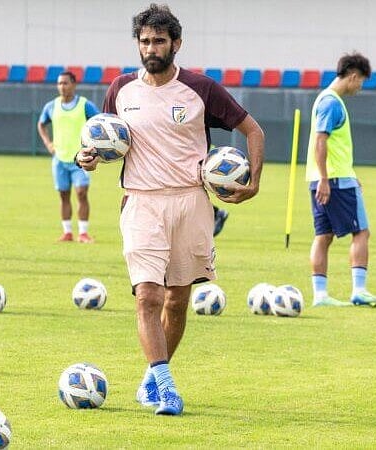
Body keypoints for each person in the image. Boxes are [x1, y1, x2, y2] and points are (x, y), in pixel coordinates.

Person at [77, 3, 265, 416]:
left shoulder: (201, 89)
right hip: (141, 201)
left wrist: (254, 182)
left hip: (192, 202)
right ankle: (166, 386)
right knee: (148, 295)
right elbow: (104, 140)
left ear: (176, 44)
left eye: (159, 40)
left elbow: (253, 129)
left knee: (177, 300)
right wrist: (86, 157)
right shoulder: (121, 89)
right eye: (144, 41)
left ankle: (151, 377)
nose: (151, 48)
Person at [305, 52, 376, 308]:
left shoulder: (324, 99)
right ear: (352, 76)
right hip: (334, 181)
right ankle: (359, 290)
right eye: (361, 81)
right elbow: (321, 141)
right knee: (361, 232)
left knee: (323, 235)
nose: (360, 87)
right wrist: (327, 179)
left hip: (324, 178)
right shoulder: (331, 103)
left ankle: (320, 295)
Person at [37, 71, 100, 243]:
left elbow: (100, 123)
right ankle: (67, 232)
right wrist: (48, 143)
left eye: (65, 83)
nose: (62, 87)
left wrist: (94, 147)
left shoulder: (84, 105)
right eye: (59, 83)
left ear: (74, 84)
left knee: (81, 193)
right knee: (63, 195)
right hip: (59, 159)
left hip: (80, 159)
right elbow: (41, 124)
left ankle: (83, 232)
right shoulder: (51, 106)